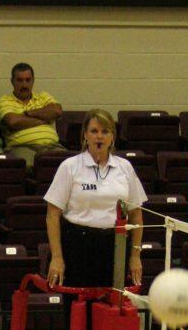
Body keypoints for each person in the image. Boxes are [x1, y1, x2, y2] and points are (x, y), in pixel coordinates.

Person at [44, 109, 145, 292]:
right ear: (85, 135)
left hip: (115, 246)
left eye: (105, 132)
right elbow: (52, 215)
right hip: (77, 245)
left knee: (110, 310)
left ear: (113, 136)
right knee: (78, 310)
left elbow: (136, 216)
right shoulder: (69, 167)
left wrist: (135, 255)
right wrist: (57, 257)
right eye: (94, 131)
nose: (99, 137)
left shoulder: (125, 168)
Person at [0, 63, 67, 171]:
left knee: (72, 166)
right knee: (30, 168)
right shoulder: (4, 101)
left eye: (28, 80)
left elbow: (57, 111)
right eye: (20, 80)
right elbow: (13, 122)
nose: (24, 85)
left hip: (53, 146)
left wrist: (28, 113)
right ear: (12, 81)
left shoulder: (43, 97)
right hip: (22, 147)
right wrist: (44, 119)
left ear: (33, 81)